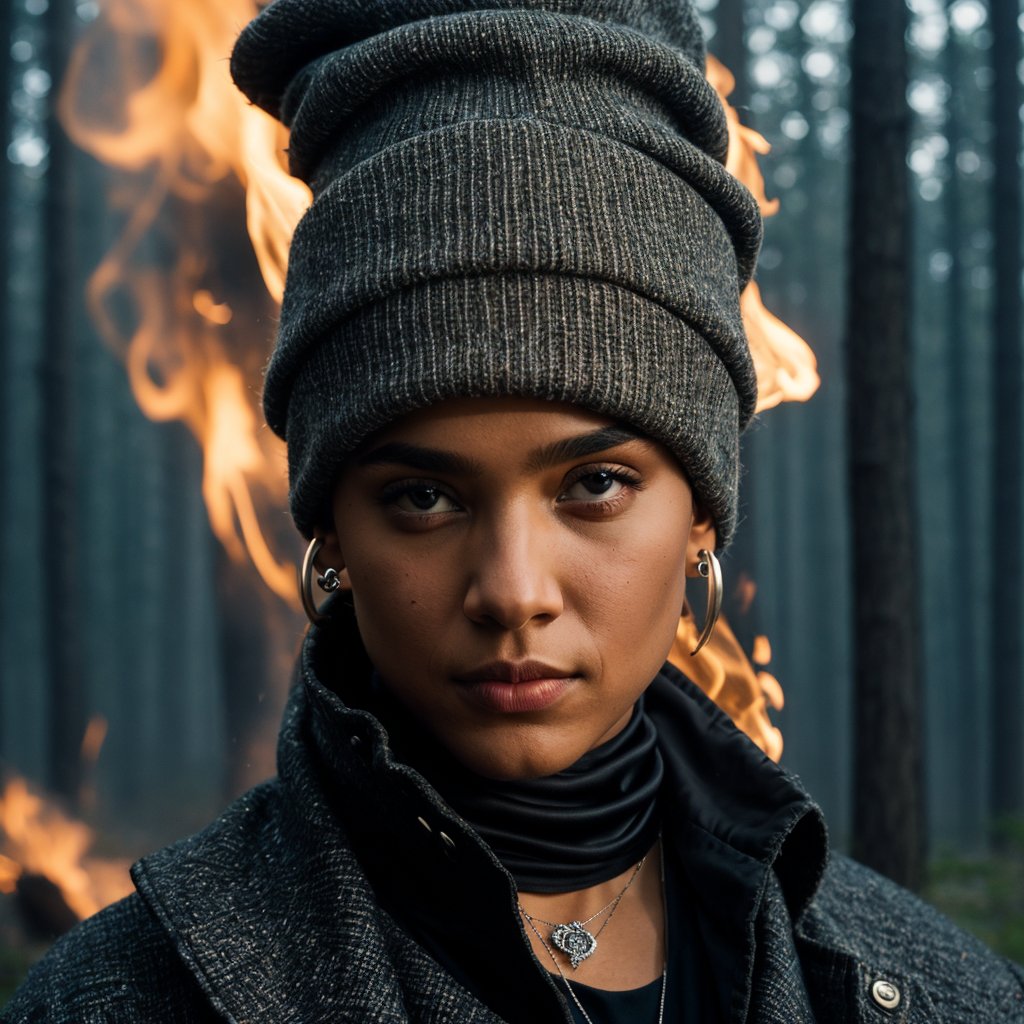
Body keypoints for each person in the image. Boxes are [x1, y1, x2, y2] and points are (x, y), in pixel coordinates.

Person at [5, 0, 1023, 1021]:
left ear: (701, 520)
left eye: (593, 485)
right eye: (422, 497)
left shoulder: (944, 995)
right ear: (332, 544)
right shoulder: (121, 998)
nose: (513, 591)